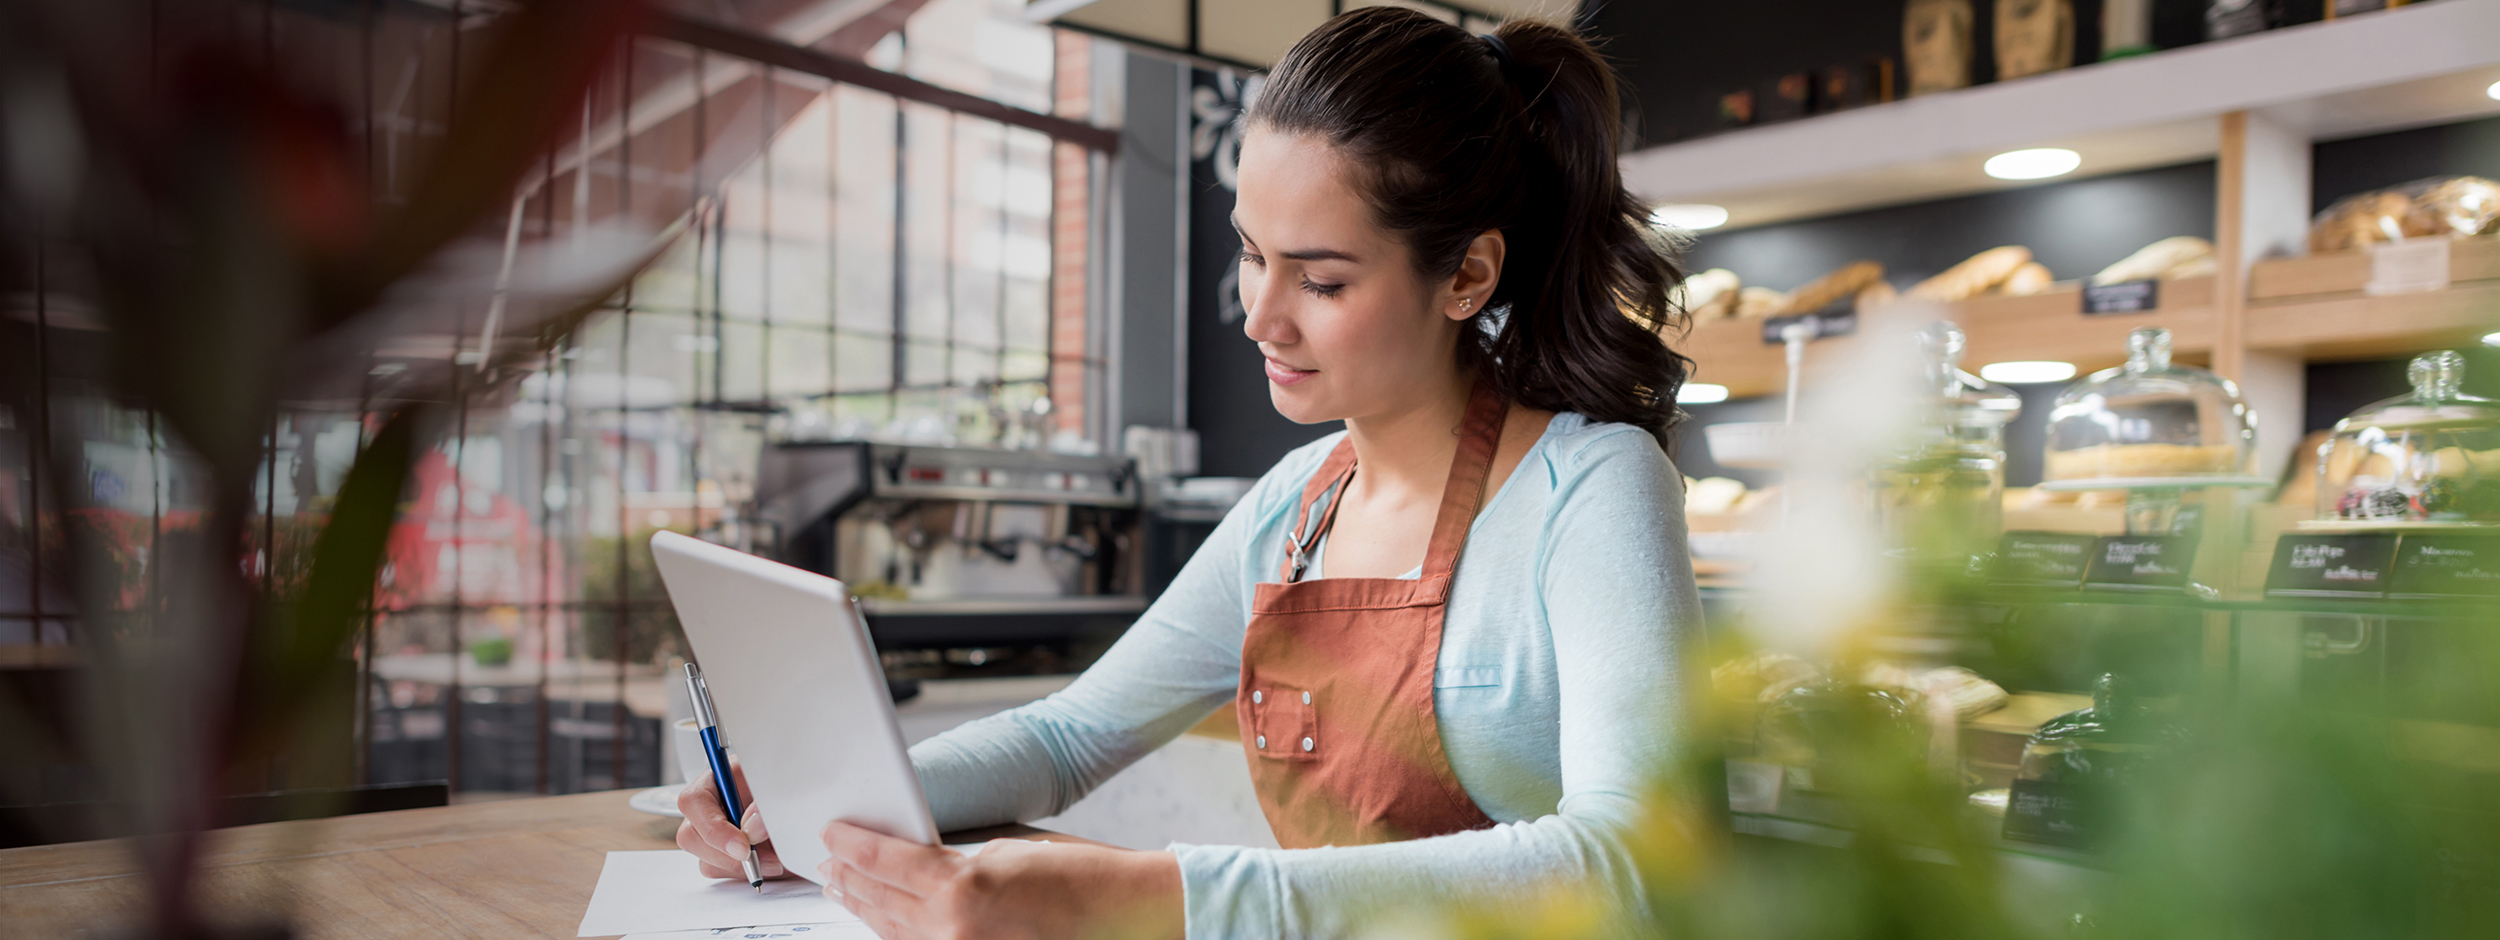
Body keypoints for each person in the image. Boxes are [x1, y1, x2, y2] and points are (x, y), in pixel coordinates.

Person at [678, 7, 1703, 937]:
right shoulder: (1294, 509)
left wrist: (1143, 895)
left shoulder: (1594, 487)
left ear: (1466, 275)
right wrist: (812, 803)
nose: (1260, 314)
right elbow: (1070, 733)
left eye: (1322, 277)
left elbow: (1629, 863)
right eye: (1251, 253)